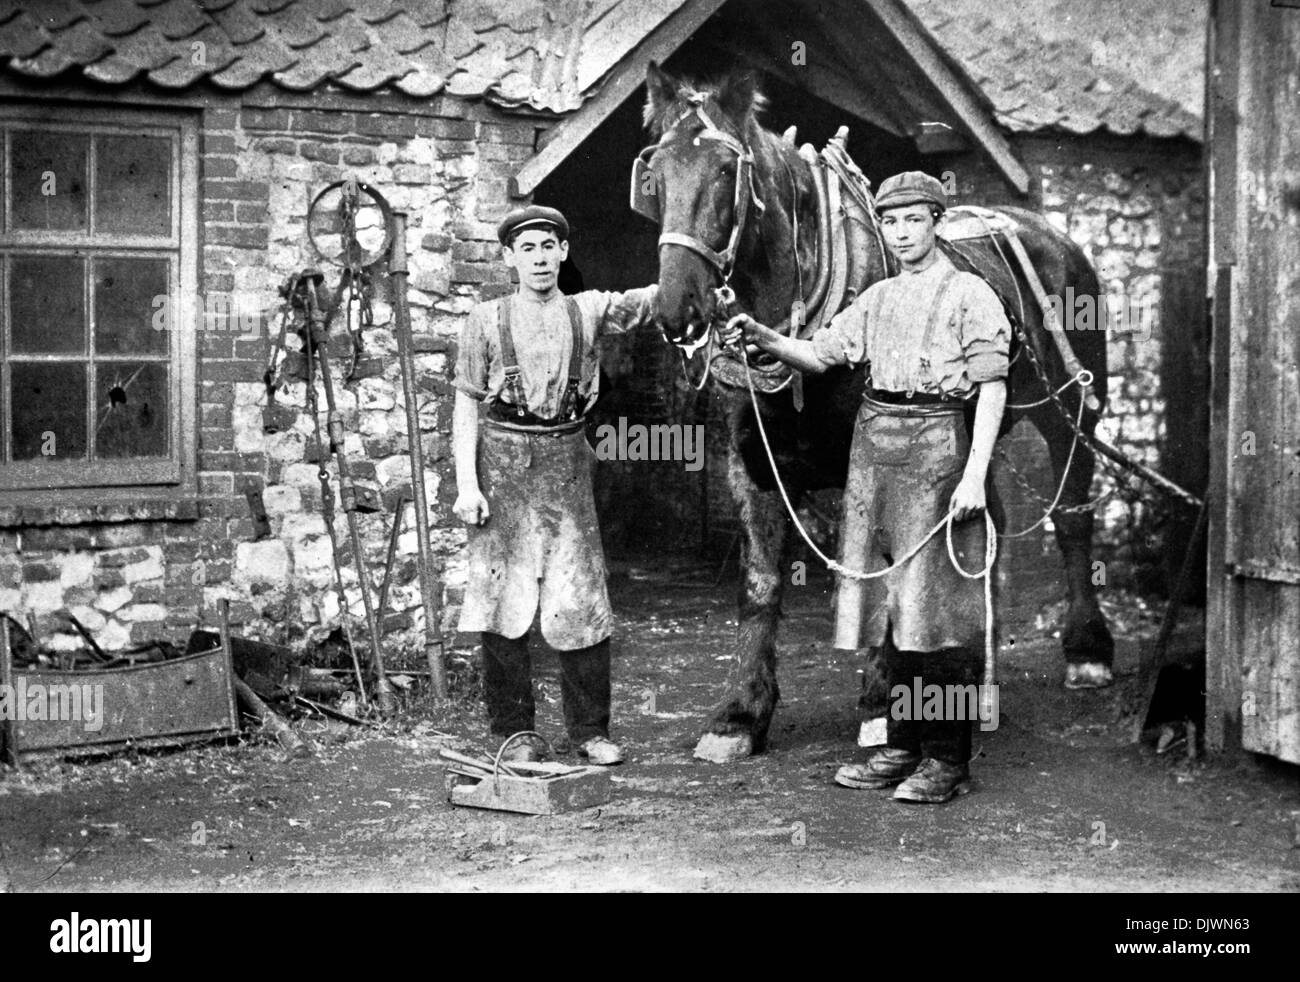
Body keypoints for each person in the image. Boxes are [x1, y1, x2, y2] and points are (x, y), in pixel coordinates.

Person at [721, 172, 1010, 803]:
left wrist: (973, 475)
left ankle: (946, 759)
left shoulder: (972, 294)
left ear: (936, 221)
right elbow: (823, 355)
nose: (903, 233)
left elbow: (992, 388)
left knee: (938, 612)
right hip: (875, 448)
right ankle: (903, 744)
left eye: (914, 220)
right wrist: (764, 338)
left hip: (937, 444)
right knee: (893, 607)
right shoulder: (877, 298)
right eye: (892, 222)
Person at [452, 205, 657, 765]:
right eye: (528, 249)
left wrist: (699, 273)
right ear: (509, 258)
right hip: (502, 460)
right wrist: (467, 485)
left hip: (567, 457)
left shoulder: (588, 311)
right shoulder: (486, 321)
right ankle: (514, 730)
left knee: (581, 595)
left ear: (564, 253)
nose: (540, 259)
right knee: (503, 598)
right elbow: (466, 406)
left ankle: (590, 731)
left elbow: (653, 301)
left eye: (549, 247)